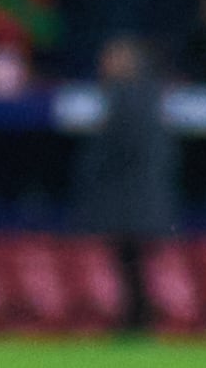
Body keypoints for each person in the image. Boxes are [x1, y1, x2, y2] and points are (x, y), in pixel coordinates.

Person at [73, 36, 177, 337]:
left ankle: (137, 321)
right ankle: (136, 319)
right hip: (146, 194)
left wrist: (91, 172)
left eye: (112, 58)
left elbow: (115, 148)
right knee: (132, 265)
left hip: (131, 196)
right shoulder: (153, 94)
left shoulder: (125, 94)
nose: (104, 65)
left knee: (131, 264)